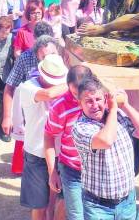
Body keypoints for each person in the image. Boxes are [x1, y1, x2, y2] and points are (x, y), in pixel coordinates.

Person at [72, 78, 139, 220]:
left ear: (105, 99)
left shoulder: (118, 117)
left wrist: (126, 105)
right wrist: (113, 108)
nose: (95, 105)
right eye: (88, 101)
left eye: (98, 99)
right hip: (98, 205)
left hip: (127, 201)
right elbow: (107, 140)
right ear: (80, 103)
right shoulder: (80, 127)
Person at [17, 54, 70, 220]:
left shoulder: (63, 86)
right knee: (39, 205)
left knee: (54, 201)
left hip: (60, 152)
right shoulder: (27, 87)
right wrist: (73, 82)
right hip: (37, 152)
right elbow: (48, 94)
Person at [2, 29, 57, 174]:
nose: (48, 58)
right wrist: (7, 117)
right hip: (30, 110)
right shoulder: (25, 58)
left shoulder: (60, 58)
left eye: (52, 54)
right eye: (43, 55)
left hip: (54, 115)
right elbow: (10, 87)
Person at [44, 65, 93, 220]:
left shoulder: (99, 99)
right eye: (74, 92)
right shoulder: (60, 106)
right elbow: (49, 137)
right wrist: (52, 172)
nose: (78, 97)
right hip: (72, 169)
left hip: (96, 169)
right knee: (73, 213)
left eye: (82, 92)